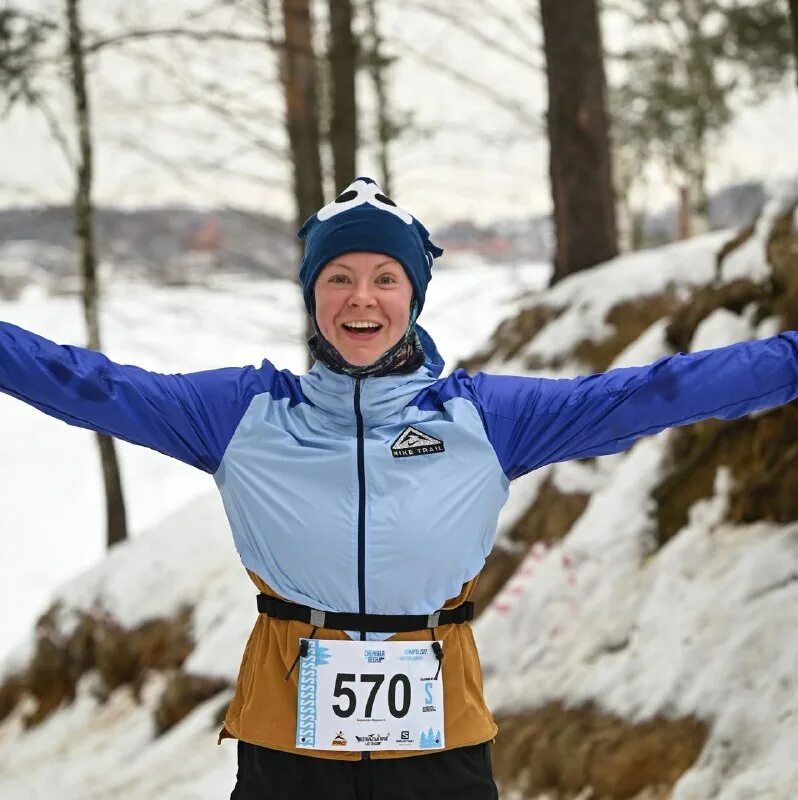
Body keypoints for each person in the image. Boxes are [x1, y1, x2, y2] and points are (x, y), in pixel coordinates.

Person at [2, 176, 798, 800]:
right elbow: (87, 384)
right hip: (287, 753)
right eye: (339, 277)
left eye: (386, 278)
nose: (361, 298)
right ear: (313, 296)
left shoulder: (485, 419)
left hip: (440, 753)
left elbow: (657, 392)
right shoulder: (239, 413)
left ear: (413, 297)